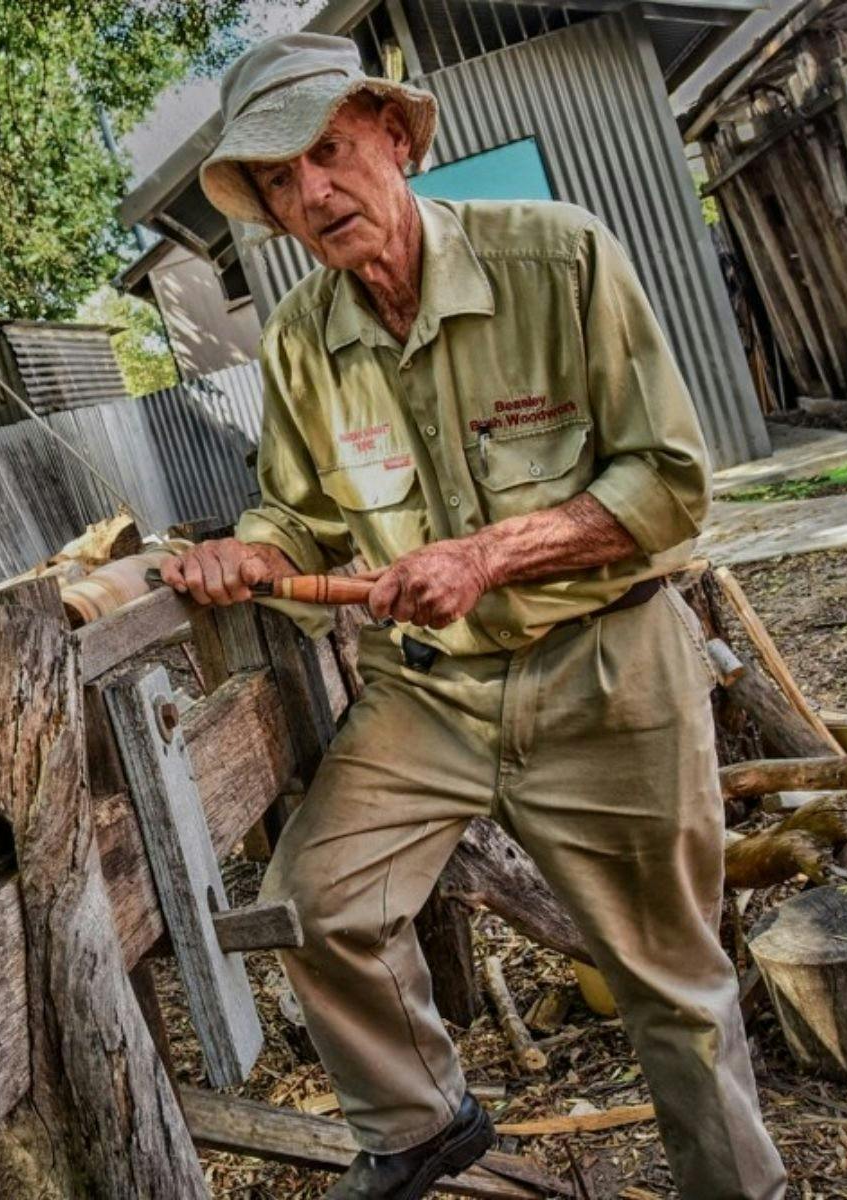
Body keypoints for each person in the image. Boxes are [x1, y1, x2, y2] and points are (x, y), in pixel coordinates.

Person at [159, 31, 786, 1200]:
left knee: (670, 989)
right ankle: (422, 1126)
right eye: (282, 182)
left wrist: (488, 552)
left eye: (330, 155)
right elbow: (301, 520)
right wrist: (247, 552)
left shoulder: (557, 258)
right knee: (311, 903)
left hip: (608, 673)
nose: (313, 194)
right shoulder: (301, 338)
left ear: (394, 138)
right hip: (434, 693)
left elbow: (668, 485)